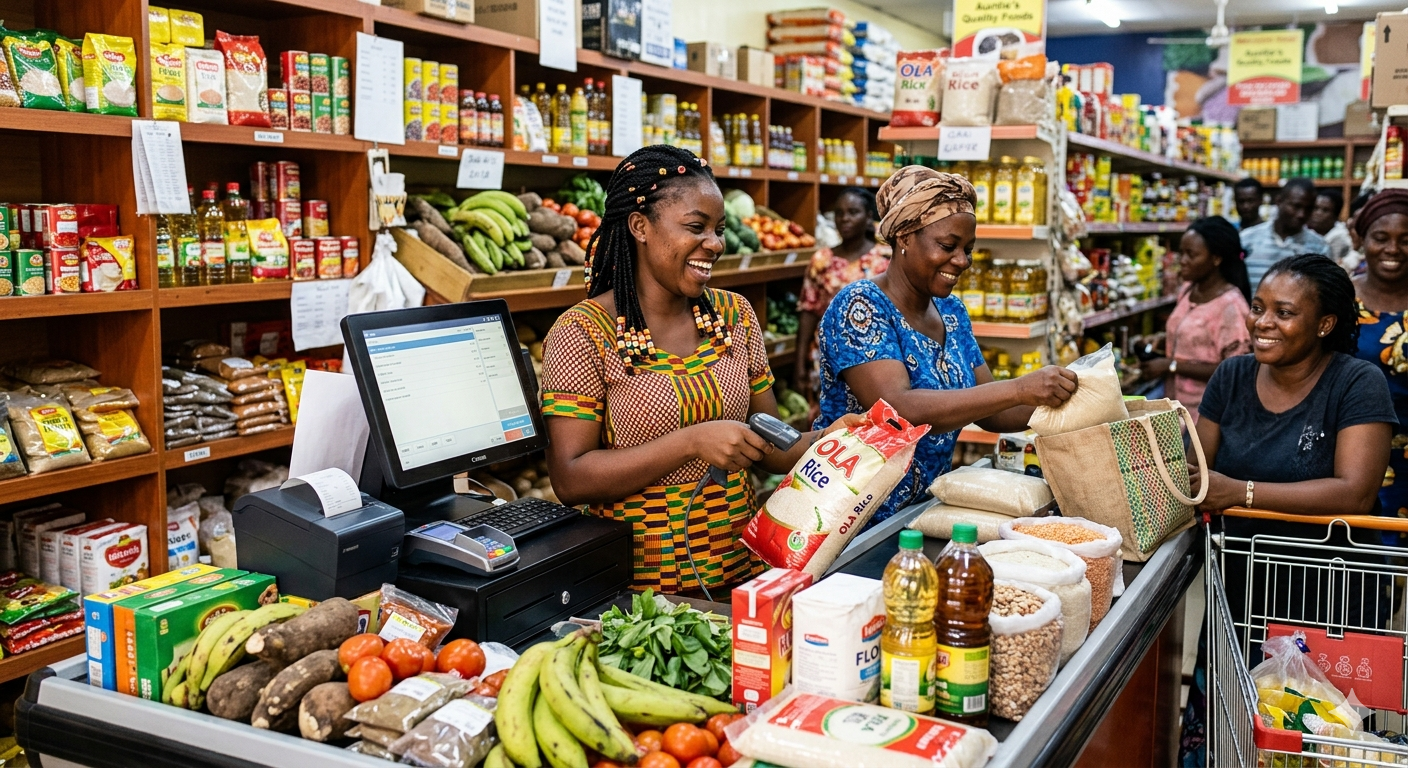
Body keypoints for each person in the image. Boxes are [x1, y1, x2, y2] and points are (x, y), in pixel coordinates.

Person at [538, 145, 858, 595]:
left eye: (719, 230)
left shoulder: (735, 315)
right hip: (637, 596)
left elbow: (771, 446)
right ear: (639, 226)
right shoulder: (584, 332)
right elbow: (571, 479)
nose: (715, 244)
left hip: (744, 578)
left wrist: (834, 440)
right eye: (696, 227)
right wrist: (691, 442)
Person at [1178, 254, 1395, 766]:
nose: (1262, 322)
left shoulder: (1356, 383)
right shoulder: (1231, 377)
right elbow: (1200, 472)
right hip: (1242, 591)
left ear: (1324, 324)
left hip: (1331, 595)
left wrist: (1243, 493)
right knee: (1234, 728)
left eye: (1284, 312)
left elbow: (1355, 492)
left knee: (1320, 735)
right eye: (1258, 307)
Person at [815, 166, 1078, 525]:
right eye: (948, 246)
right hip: (848, 517)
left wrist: (1067, 400)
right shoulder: (860, 306)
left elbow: (992, 411)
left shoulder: (950, 311)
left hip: (919, 511)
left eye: (968, 249)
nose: (962, 261)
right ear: (905, 237)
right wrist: (1020, 387)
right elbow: (899, 409)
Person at [1139, 217, 1252, 420]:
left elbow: (1234, 369)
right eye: (1181, 253)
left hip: (1204, 414)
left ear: (1216, 259)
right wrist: (1163, 340)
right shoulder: (1188, 290)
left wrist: (1171, 365)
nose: (1182, 261)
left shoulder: (1231, 306)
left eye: (1191, 255)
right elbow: (1196, 337)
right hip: (1175, 407)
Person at [794, 187, 891, 398]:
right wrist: (799, 364)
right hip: (827, 356)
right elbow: (809, 311)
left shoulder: (885, 260)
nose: (844, 218)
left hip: (877, 358)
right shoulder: (822, 260)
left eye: (853, 212)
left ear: (868, 218)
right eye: (839, 213)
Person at [1352, 189, 1408, 543]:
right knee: (1360, 567)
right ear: (1362, 240)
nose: (1392, 249)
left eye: (1405, 240)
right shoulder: (1339, 297)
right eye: (1381, 237)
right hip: (1351, 454)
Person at [1240, 178, 1329, 289]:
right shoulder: (1246, 240)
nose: (1302, 214)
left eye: (1309, 208)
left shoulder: (1320, 247)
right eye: (1296, 206)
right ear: (1279, 201)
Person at [1309, 188, 1352, 266]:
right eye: (1315, 208)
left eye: (1325, 210)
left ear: (1336, 215)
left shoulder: (1340, 239)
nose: (1318, 213)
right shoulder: (1308, 233)